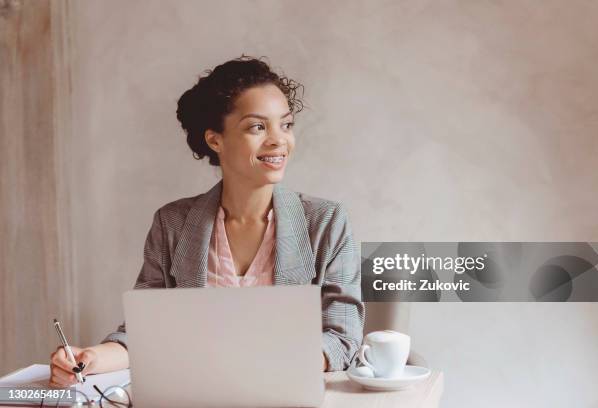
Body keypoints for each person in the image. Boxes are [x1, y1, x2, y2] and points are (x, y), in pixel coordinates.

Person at [49, 56, 364, 387]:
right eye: (258, 127)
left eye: (285, 124)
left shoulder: (325, 222)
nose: (278, 140)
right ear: (215, 140)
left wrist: (271, 362)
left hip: (286, 394)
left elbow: (343, 339)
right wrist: (91, 358)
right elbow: (147, 334)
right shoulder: (172, 224)